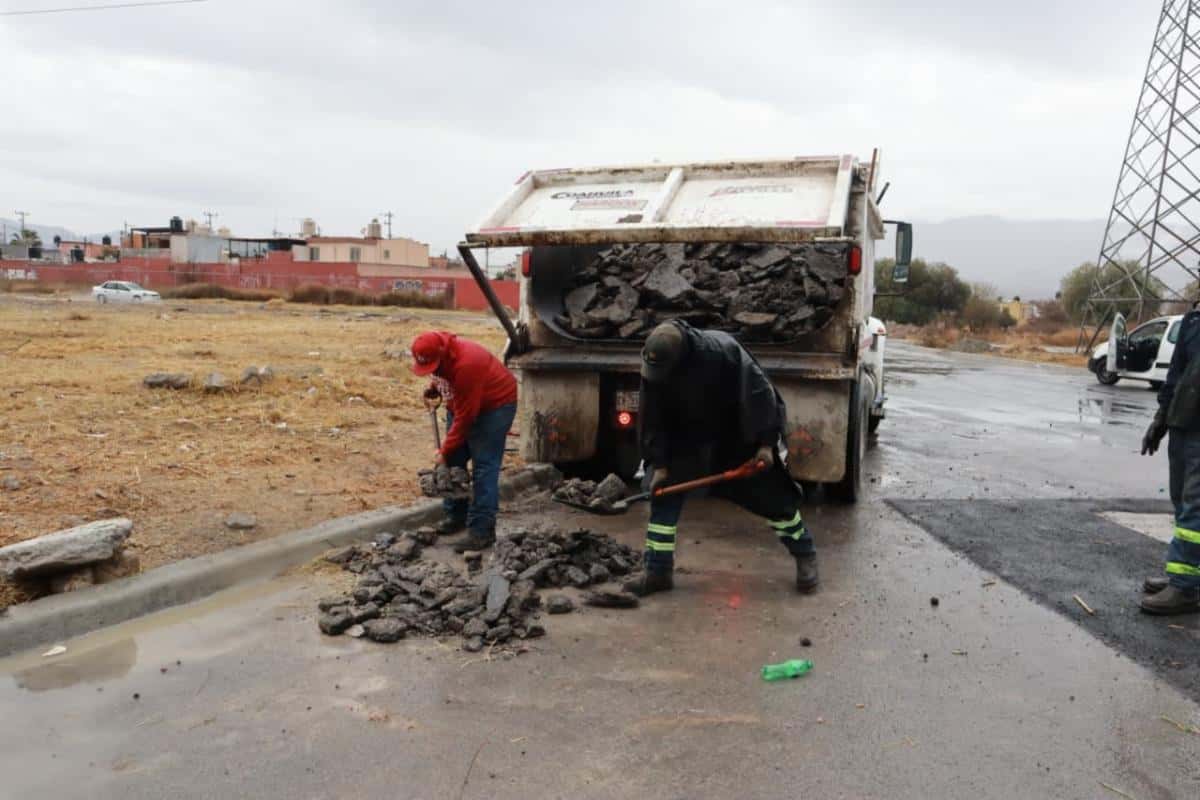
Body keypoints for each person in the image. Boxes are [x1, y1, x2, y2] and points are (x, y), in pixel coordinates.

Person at [627, 320, 818, 597]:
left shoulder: (723, 352)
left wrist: (765, 444)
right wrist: (659, 464)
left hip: (733, 434)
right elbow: (651, 418)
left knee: (772, 495)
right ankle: (657, 571)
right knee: (662, 495)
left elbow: (760, 394)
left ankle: (806, 554)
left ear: (683, 357)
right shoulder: (655, 367)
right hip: (689, 438)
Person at [411, 331, 517, 553]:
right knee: (454, 460)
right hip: (463, 403)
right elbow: (442, 374)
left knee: (484, 466)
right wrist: (436, 386)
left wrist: (443, 450)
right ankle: (455, 515)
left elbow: (466, 417)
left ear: (443, 354)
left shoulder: (468, 364)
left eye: (434, 366)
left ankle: (482, 531)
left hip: (495, 407)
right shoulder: (443, 358)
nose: (433, 371)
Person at [1141, 308, 1200, 614]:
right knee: (1182, 502)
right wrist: (1160, 421)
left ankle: (1185, 588)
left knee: (1195, 510)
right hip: (1183, 426)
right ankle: (1187, 574)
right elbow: (1175, 377)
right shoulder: (1193, 322)